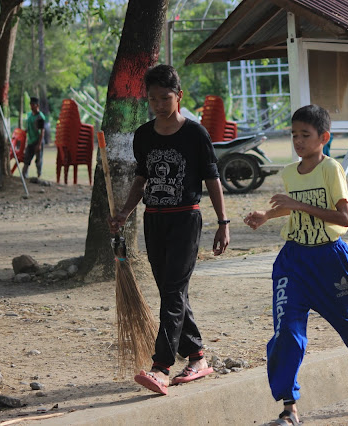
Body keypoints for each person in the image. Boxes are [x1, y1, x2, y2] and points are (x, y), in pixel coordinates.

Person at [244, 104, 348, 425]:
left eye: (305, 135)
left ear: (323, 137)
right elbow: (293, 209)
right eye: (294, 134)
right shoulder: (288, 172)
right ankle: (289, 407)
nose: (298, 141)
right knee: (285, 333)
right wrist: (267, 215)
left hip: (330, 260)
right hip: (293, 261)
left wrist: (297, 204)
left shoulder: (331, 170)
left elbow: (344, 217)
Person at [108, 64, 230, 396]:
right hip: (154, 219)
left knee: (173, 290)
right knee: (170, 291)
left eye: (166, 98)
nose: (160, 105)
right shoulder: (144, 136)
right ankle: (198, 357)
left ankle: (161, 367)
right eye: (153, 99)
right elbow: (141, 179)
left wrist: (223, 223)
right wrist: (124, 212)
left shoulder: (195, 134)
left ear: (179, 96)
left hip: (186, 219)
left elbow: (212, 179)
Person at [22, 97, 46, 179]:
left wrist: (39, 144)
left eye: (33, 105)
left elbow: (42, 131)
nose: (32, 106)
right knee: (27, 158)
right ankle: (24, 175)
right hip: (30, 141)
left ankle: (39, 175)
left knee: (38, 160)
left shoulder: (40, 117)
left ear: (37, 105)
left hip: (37, 141)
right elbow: (29, 125)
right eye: (31, 104)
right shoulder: (29, 115)